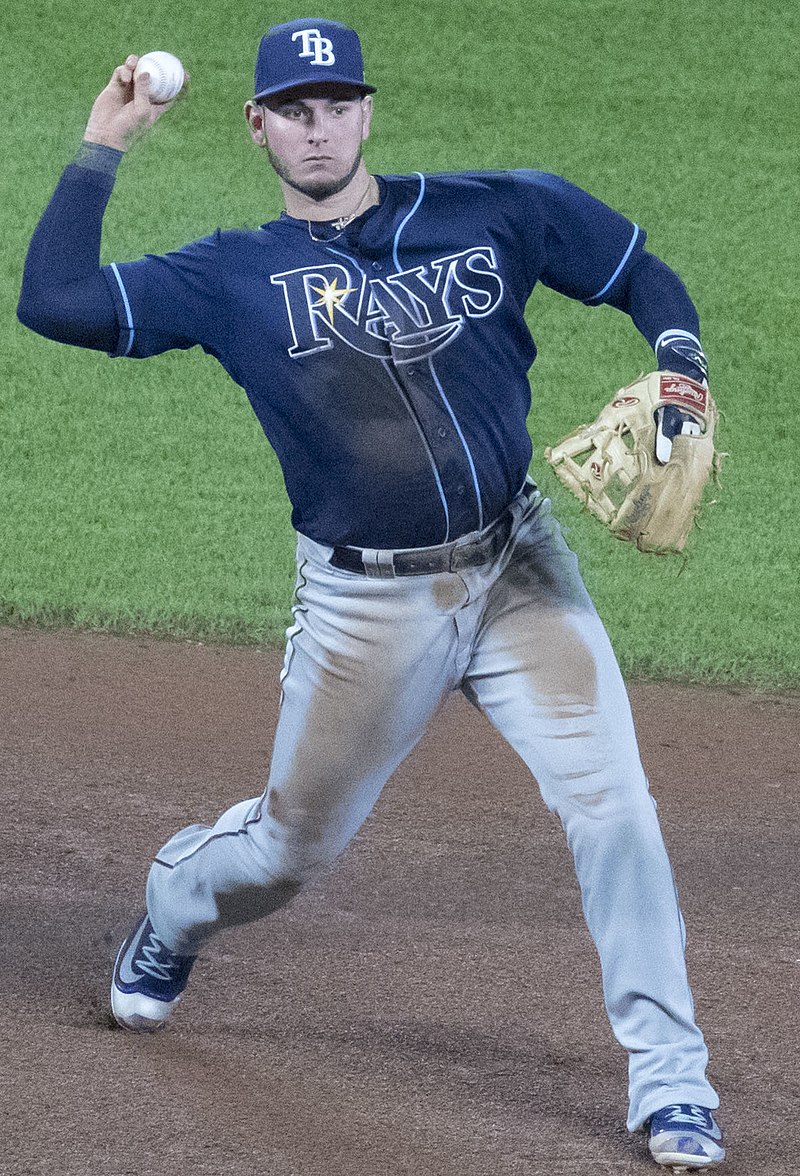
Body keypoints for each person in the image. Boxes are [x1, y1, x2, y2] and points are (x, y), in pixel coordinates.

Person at [17, 19, 725, 1170]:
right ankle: (173, 905)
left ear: (367, 110)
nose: (318, 126)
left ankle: (670, 1083)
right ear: (257, 124)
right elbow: (52, 301)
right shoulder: (225, 277)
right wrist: (107, 145)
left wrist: (680, 363)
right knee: (287, 855)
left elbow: (638, 270)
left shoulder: (493, 208)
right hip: (365, 614)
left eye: (336, 103)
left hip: (519, 568)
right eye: (293, 108)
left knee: (617, 806)